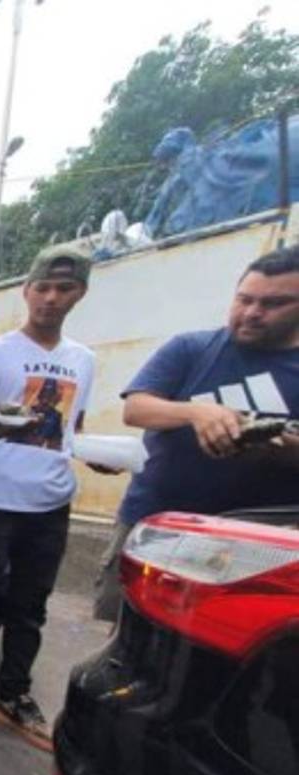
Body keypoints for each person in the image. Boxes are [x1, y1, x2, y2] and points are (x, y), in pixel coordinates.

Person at [0, 244, 105, 762]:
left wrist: (99, 458)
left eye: (65, 289)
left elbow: (73, 433)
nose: (52, 298)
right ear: (26, 290)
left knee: (30, 609)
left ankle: (12, 697)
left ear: (79, 294)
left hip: (51, 501)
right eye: (43, 288)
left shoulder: (83, 360)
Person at [93, 244, 299, 622]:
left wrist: (278, 449)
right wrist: (195, 412)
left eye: (274, 304)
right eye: (244, 299)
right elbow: (136, 409)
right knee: (129, 635)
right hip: (156, 526)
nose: (252, 313)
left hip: (254, 545)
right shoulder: (191, 348)